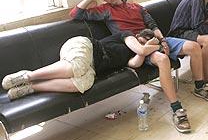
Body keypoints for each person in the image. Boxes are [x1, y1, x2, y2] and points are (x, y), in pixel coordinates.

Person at [69, 0, 208, 133]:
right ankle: (177, 109)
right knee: (162, 59)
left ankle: (199, 86)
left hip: (154, 39)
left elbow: (153, 25)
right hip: (138, 46)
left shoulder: (136, 7)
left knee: (194, 47)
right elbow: (76, 14)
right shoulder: (105, 10)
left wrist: (163, 41)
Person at [1, 30, 160, 101]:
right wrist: (152, 45)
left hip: (92, 67)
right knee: (76, 67)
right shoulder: (127, 35)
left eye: (146, 45)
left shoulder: (134, 55)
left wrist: (145, 49)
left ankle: (32, 86)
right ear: (137, 36)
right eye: (142, 41)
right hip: (85, 46)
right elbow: (140, 49)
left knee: (82, 84)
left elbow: (136, 63)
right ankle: (27, 75)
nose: (143, 46)